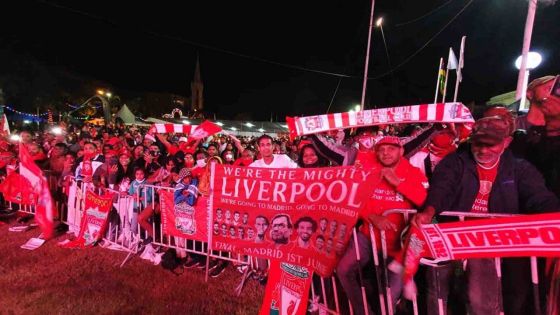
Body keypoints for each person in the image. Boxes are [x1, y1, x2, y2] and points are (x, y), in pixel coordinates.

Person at [412, 115, 560, 315]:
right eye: (478, 144)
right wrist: (429, 210)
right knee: (437, 288)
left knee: (480, 297)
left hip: (489, 242)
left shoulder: (520, 168)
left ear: (506, 143)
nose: (483, 150)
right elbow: (442, 189)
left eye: (491, 145)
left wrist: (554, 215)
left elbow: (539, 197)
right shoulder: (455, 162)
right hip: (452, 235)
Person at [337, 136, 428, 315]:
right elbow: (356, 199)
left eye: (391, 149)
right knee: (343, 269)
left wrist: (398, 183)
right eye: (382, 149)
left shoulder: (414, 172)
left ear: (401, 151)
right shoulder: (369, 170)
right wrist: (371, 216)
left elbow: (425, 201)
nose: (386, 153)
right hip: (368, 235)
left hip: (398, 246)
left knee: (388, 294)